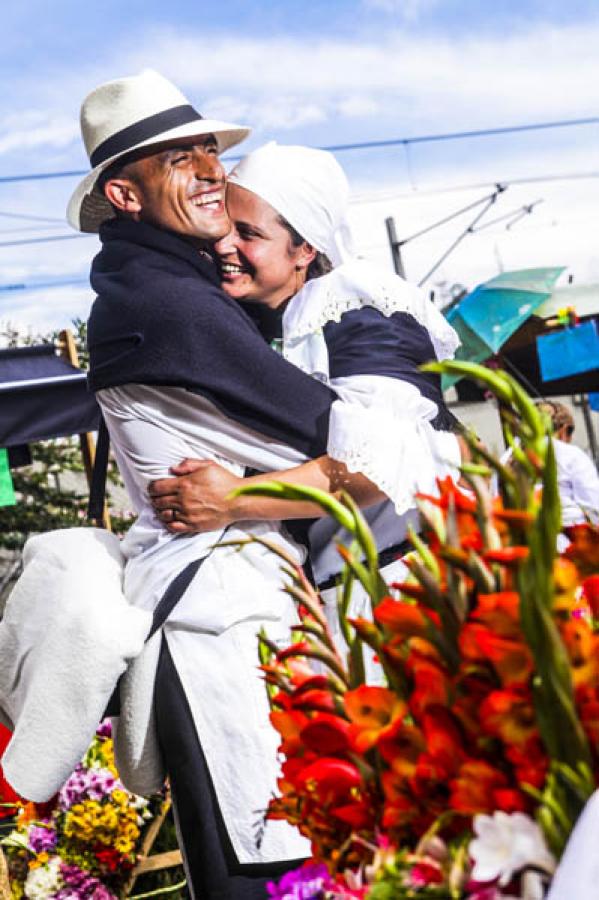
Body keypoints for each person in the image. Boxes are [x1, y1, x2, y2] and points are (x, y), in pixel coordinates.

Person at [67, 70, 409, 900]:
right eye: (178, 160)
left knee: (278, 849)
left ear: (309, 252)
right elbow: (359, 449)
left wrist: (242, 491)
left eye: (209, 153)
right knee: (261, 862)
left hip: (237, 610)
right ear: (125, 193)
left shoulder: (164, 284)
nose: (209, 170)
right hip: (218, 617)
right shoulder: (169, 301)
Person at [147, 142, 462, 653]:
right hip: (360, 591)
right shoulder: (285, 317)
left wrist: (230, 501)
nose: (226, 244)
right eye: (225, 228)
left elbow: (371, 470)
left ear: (305, 249)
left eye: (248, 233)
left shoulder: (359, 311)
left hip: (411, 594)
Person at [535, 400, 599, 528]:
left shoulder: (506, 459)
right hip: (569, 538)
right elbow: (594, 507)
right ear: (563, 430)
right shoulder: (571, 455)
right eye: (570, 433)